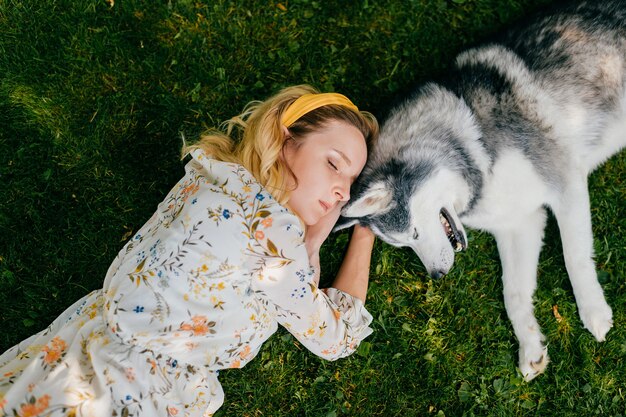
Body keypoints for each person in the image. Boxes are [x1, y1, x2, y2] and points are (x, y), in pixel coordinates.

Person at [0, 85, 379, 416]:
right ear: (284, 141)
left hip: (75, 350)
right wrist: (366, 227)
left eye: (351, 182)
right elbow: (336, 338)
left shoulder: (208, 176)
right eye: (333, 165)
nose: (344, 193)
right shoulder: (274, 239)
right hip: (135, 394)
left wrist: (308, 244)